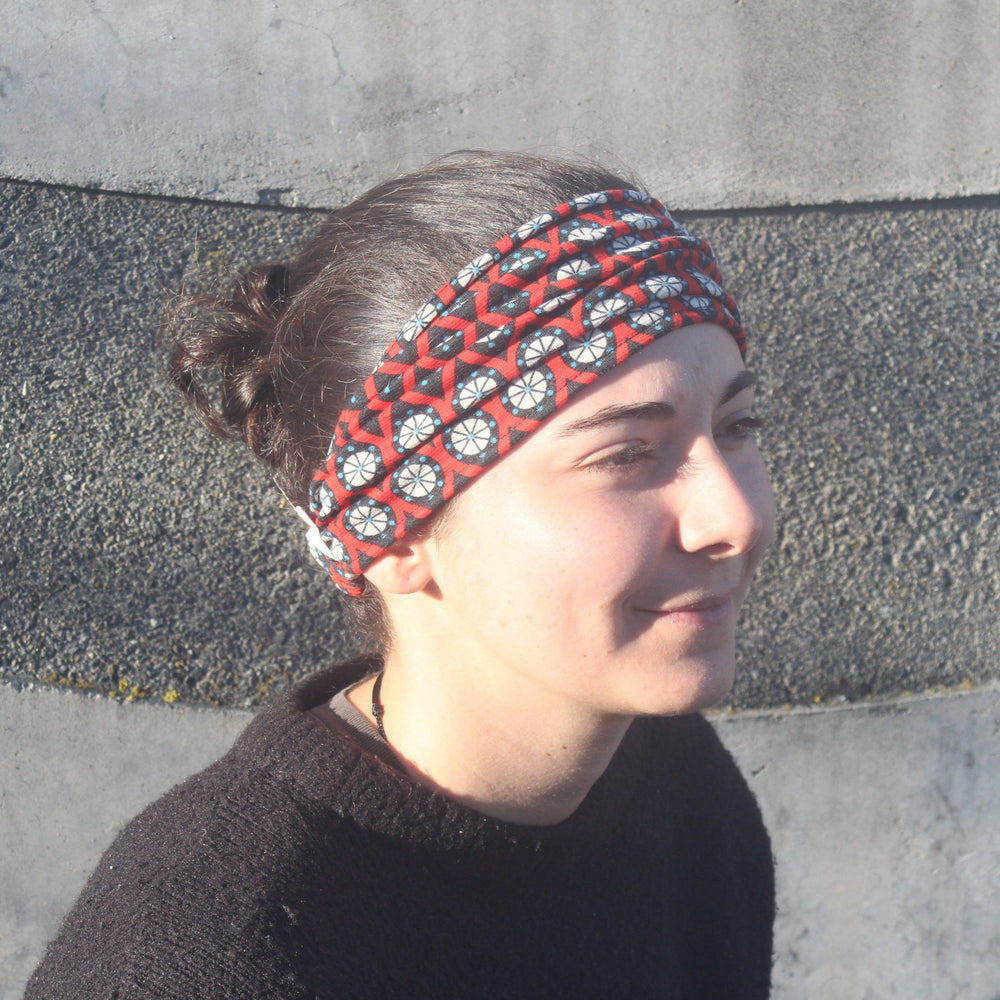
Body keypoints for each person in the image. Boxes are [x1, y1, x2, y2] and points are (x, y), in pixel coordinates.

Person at [26, 151, 776, 999]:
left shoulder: (676, 789)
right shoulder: (205, 960)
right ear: (397, 533)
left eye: (738, 425)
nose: (736, 517)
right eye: (626, 454)